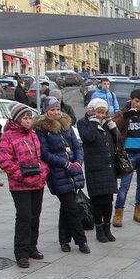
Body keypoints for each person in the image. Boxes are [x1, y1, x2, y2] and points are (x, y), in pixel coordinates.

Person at [34, 96, 89, 254]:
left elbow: (77, 146)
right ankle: (81, 241)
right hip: (58, 172)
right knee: (72, 208)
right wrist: (65, 164)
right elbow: (45, 153)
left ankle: (64, 240)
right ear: (46, 111)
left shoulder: (66, 125)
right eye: (52, 109)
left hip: (73, 171)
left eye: (57, 109)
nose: (56, 112)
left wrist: (77, 162)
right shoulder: (42, 129)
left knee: (66, 208)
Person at [0, 103, 49, 268]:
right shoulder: (8, 136)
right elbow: (4, 160)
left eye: (29, 118)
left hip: (37, 182)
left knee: (35, 216)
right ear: (17, 119)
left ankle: (32, 246)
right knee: (24, 217)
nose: (28, 121)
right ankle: (21, 252)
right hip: (20, 185)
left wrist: (43, 171)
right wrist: (20, 175)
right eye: (25, 118)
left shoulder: (33, 135)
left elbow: (40, 157)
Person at [77, 98, 118, 243]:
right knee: (97, 201)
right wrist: (94, 122)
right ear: (92, 111)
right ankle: (99, 229)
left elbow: (117, 139)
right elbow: (89, 138)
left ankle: (107, 228)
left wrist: (112, 125)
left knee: (108, 201)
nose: (101, 115)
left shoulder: (106, 123)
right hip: (95, 168)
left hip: (108, 167)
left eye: (103, 112)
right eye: (98, 112)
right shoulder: (83, 123)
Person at [113, 89, 140, 226]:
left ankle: (139, 211)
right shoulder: (123, 112)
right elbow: (115, 127)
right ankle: (118, 213)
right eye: (136, 101)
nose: (138, 104)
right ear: (131, 99)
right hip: (128, 154)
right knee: (124, 186)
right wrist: (127, 116)